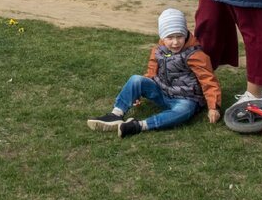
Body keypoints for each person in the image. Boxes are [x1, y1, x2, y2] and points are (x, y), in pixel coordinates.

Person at [86, 8, 222, 138]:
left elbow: (208, 80)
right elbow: (151, 72)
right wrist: (138, 92)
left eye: (179, 36)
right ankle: (115, 114)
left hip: (185, 99)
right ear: (162, 37)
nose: (175, 42)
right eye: (170, 37)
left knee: (184, 111)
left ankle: (139, 125)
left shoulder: (195, 54)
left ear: (185, 33)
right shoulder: (159, 49)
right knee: (136, 79)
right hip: (162, 93)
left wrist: (213, 107)